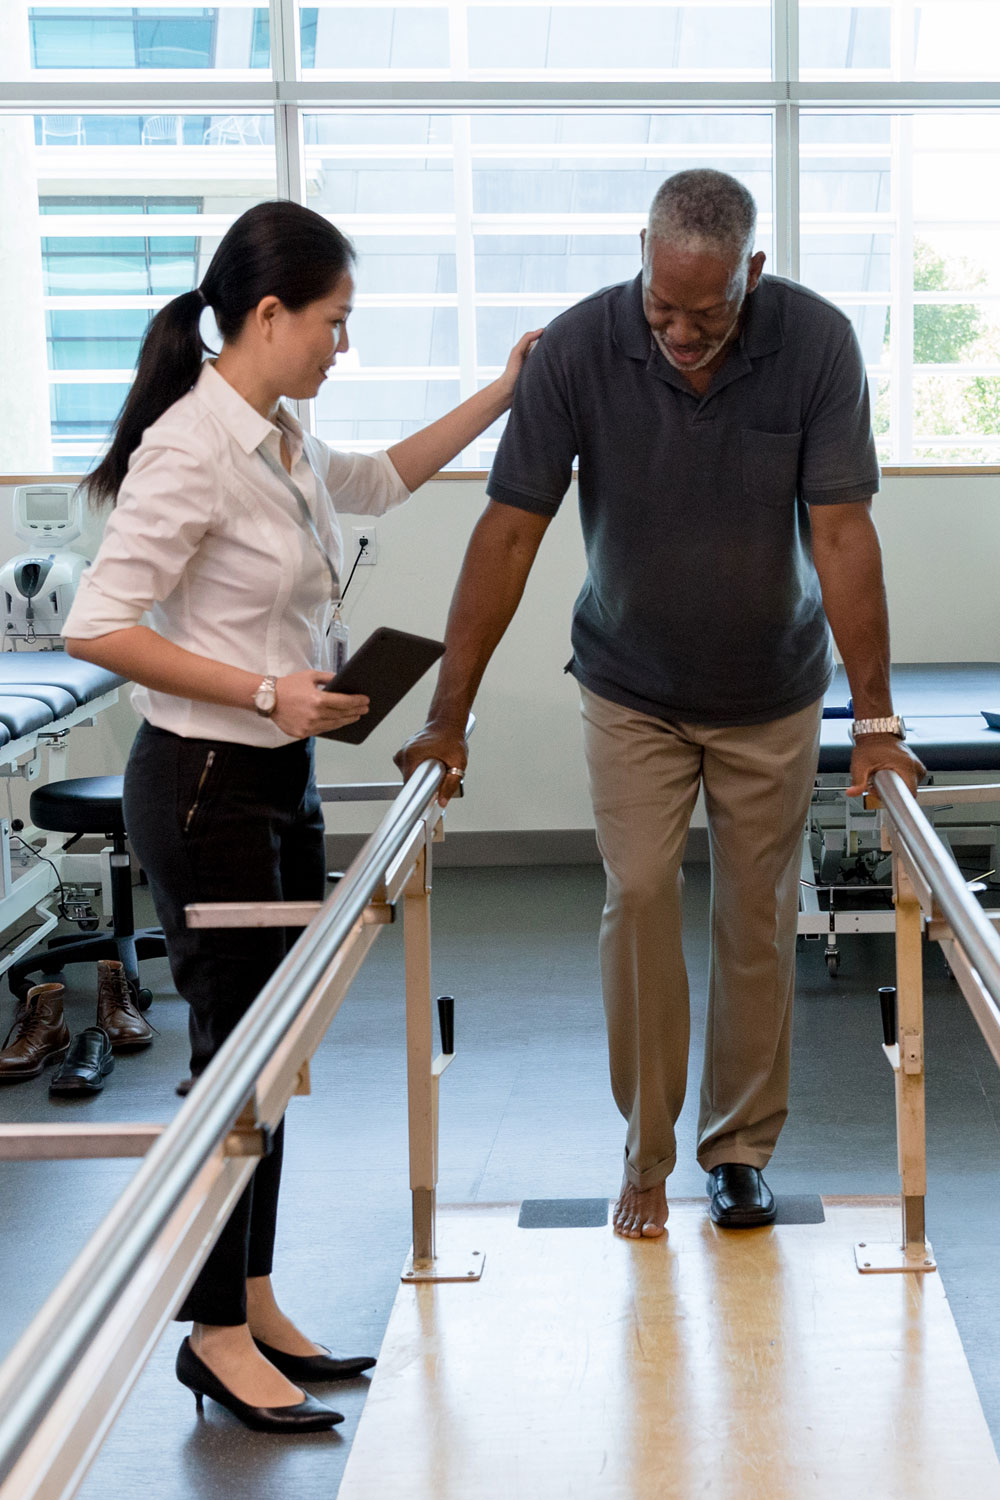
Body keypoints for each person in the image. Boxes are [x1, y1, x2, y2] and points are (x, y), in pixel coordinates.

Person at [63, 199, 539, 1433]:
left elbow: (379, 478)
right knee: (233, 1068)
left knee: (275, 1066)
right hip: (208, 784)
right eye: (333, 323)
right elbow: (98, 628)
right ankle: (212, 1334)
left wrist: (502, 392)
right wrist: (268, 688)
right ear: (267, 315)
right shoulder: (190, 448)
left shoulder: (276, 435)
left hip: (275, 778)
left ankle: (255, 1296)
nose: (343, 346)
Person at [396, 169, 924, 1243]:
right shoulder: (582, 349)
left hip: (770, 691)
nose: (681, 333)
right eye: (661, 307)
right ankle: (644, 1148)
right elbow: (508, 532)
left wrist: (874, 721)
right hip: (629, 683)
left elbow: (841, 536)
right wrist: (447, 716)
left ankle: (735, 1151)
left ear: (753, 274)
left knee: (753, 923)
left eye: (709, 312)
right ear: (640, 254)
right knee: (637, 896)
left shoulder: (816, 345)